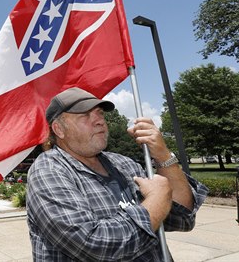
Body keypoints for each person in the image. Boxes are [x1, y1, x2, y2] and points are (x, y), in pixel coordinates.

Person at [26, 87, 208, 261]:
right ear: (59, 129)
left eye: (100, 113)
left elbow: (182, 218)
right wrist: (156, 199)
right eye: (85, 115)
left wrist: (163, 156)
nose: (99, 121)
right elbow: (94, 245)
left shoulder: (124, 164)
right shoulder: (48, 169)